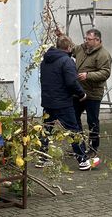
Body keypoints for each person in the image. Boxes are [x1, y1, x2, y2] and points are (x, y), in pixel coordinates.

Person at [38, 35, 92, 171]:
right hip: (63, 102)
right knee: (73, 130)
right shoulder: (67, 61)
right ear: (68, 47)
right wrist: (82, 94)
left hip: (48, 101)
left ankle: (41, 157)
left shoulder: (45, 61)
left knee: (46, 130)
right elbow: (71, 82)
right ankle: (83, 160)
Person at [72, 28, 112, 156]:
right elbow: (70, 48)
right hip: (79, 91)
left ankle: (93, 148)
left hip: (93, 93)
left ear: (97, 40)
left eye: (89, 39)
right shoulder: (81, 48)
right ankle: (79, 145)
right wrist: (61, 35)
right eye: (86, 38)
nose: (86, 41)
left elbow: (105, 72)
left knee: (92, 121)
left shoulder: (103, 54)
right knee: (74, 118)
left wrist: (88, 75)